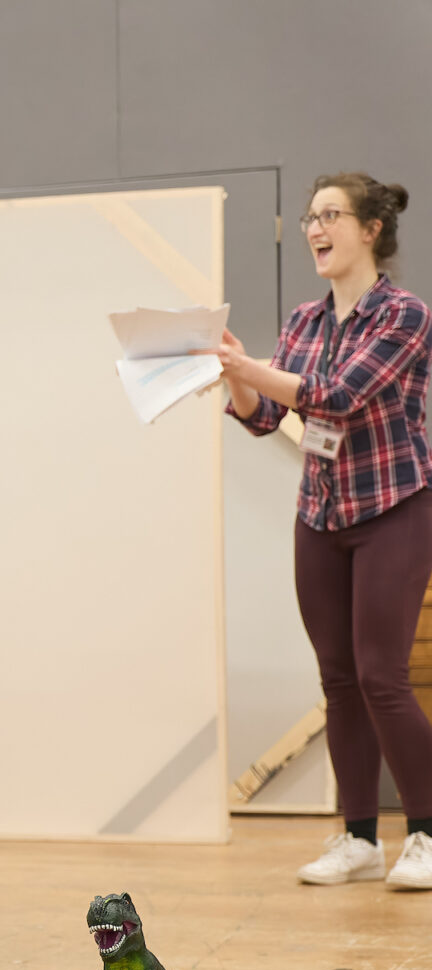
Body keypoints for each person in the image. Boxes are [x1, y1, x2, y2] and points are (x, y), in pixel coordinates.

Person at [210, 172, 432, 890]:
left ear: (370, 230)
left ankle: (426, 834)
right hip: (320, 514)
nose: (315, 228)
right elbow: (264, 417)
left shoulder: (404, 315)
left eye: (331, 215)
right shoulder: (307, 322)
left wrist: (252, 368)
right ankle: (360, 840)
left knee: (380, 677)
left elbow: (335, 398)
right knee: (338, 680)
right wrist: (237, 376)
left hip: (394, 509)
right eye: (311, 217)